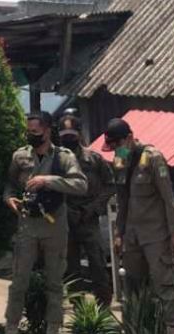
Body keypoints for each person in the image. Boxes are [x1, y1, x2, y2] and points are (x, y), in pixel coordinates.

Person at [0, 112, 88, 334]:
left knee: (54, 282)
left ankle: (52, 333)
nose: (31, 135)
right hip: (27, 225)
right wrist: (9, 199)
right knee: (19, 282)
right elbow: (9, 185)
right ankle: (11, 331)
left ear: (47, 131)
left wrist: (48, 180)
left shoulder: (63, 157)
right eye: (28, 131)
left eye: (35, 132)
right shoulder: (20, 156)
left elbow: (81, 185)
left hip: (54, 226)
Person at [105, 117, 174, 334]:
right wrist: (119, 233)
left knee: (164, 284)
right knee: (133, 285)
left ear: (129, 138)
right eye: (112, 147)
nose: (116, 150)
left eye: (118, 144)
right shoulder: (119, 160)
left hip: (156, 234)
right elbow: (122, 200)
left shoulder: (153, 158)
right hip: (132, 235)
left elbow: (167, 197)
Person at [59, 114, 116, 306]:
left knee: (98, 264)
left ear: (79, 134)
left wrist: (94, 208)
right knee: (71, 269)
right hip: (66, 221)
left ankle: (103, 308)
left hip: (89, 220)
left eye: (71, 135)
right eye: (64, 135)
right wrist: (65, 210)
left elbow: (110, 185)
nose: (68, 139)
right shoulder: (54, 161)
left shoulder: (93, 159)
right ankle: (78, 309)